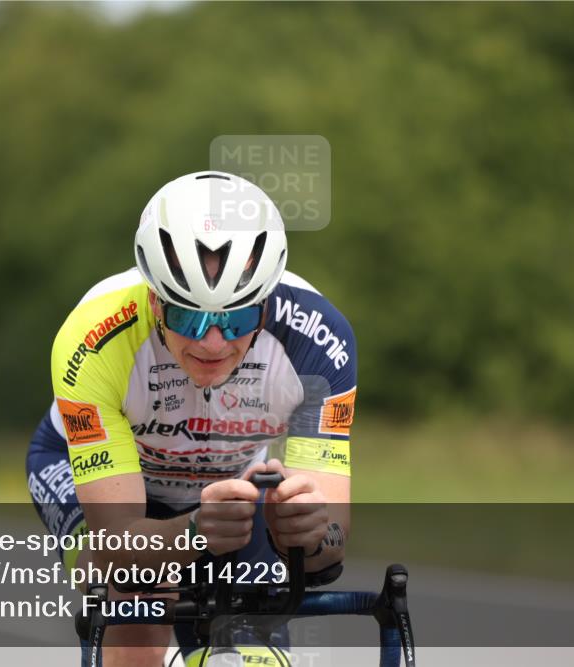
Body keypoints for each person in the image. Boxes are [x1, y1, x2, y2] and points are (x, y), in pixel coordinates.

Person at [26, 171, 356, 666]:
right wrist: (194, 532)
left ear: (264, 306)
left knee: (249, 648)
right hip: (106, 486)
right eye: (188, 317)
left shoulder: (319, 340)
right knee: (134, 617)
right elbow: (118, 542)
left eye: (237, 318)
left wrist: (307, 530)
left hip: (233, 493)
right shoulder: (91, 339)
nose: (212, 343)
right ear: (155, 301)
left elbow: (330, 548)